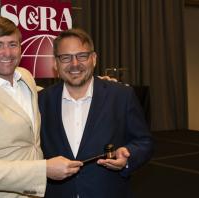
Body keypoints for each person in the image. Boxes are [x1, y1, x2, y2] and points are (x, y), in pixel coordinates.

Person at [0, 16, 83, 198]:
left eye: (13, 44)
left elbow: (51, 96)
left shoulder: (24, 76)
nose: (8, 52)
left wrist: (90, 85)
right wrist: (43, 169)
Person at [38, 28, 154, 198]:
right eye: (66, 57)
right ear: (55, 64)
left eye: (82, 56)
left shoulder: (122, 96)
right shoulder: (41, 101)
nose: (75, 64)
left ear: (93, 59)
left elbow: (144, 141)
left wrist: (128, 157)